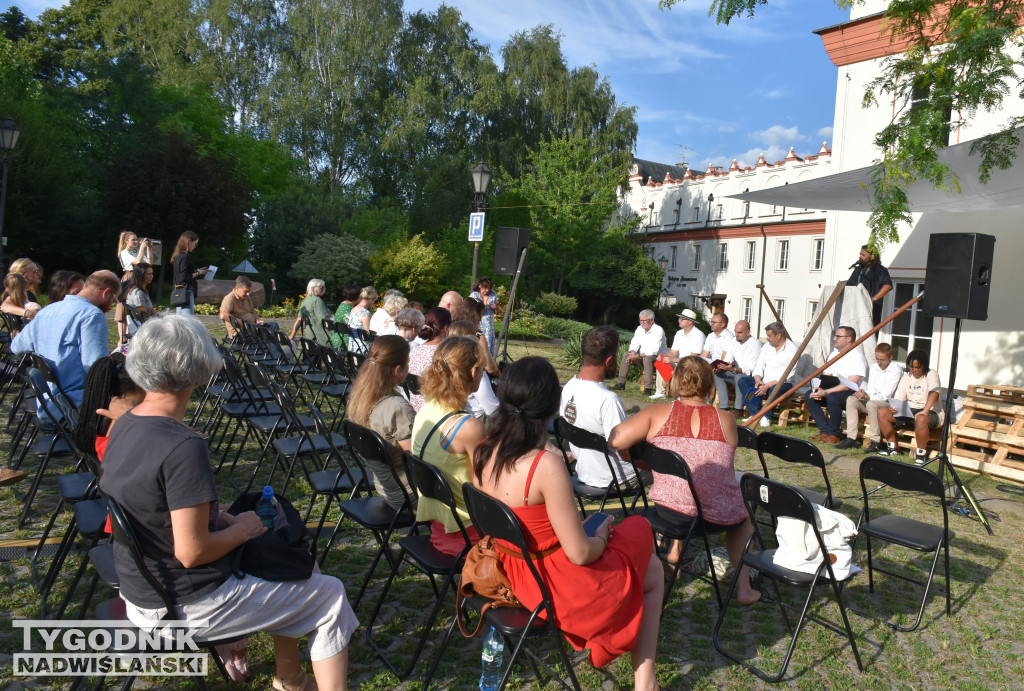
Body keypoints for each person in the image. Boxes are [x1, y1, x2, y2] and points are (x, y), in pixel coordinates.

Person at [100, 315, 357, 691]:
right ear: (200, 370)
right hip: (182, 602)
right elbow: (192, 552)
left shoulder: (125, 422)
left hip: (142, 586)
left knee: (295, 563)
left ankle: (290, 677)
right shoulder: (183, 446)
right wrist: (241, 529)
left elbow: (151, 504)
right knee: (331, 595)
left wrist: (217, 516)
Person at [473, 357, 663, 690]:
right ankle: (643, 681)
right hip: (555, 585)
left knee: (638, 552)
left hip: (514, 569)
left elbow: (529, 524)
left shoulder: (483, 452)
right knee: (642, 538)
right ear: (551, 406)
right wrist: (601, 537)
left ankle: (641, 675)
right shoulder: (544, 464)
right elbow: (579, 555)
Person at [609, 356, 761, 607]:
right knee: (743, 518)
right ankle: (743, 588)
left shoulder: (657, 413)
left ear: (675, 382)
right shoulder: (726, 420)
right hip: (715, 516)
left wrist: (644, 459)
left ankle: (672, 555)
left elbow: (615, 440)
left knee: (685, 485)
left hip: (669, 511)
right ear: (710, 385)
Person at [411, 336, 486, 556]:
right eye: (482, 369)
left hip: (440, 526)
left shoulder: (427, 409)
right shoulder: (468, 427)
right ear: (473, 373)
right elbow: (487, 485)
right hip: (469, 534)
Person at [12, 270, 121, 406]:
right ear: (106, 293)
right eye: (114, 300)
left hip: (45, 401)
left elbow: (17, 346)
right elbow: (97, 368)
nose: (111, 306)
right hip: (74, 402)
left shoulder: (46, 311)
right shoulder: (92, 315)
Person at [560, 326, 648, 490]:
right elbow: (624, 451)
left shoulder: (569, 387)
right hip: (615, 478)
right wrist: (655, 465)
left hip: (585, 473)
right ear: (609, 361)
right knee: (671, 468)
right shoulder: (607, 400)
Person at [346, 335, 417, 511]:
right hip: (407, 494)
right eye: (408, 362)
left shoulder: (361, 396)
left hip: (384, 485)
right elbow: (419, 460)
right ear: (397, 370)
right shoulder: (396, 407)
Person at [876, 349, 944, 464]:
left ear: (924, 366)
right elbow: (899, 397)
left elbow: (934, 393)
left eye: (918, 367)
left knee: (921, 418)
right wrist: (894, 407)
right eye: (912, 367)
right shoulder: (907, 376)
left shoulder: (931, 374)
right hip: (910, 409)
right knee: (882, 412)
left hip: (931, 410)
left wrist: (925, 410)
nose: (914, 370)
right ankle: (893, 448)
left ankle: (921, 454)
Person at [804, 326, 868, 444]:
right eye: (835, 336)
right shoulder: (834, 354)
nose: (835, 339)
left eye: (838, 336)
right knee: (809, 395)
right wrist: (818, 389)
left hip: (853, 394)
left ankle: (834, 434)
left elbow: (851, 384)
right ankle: (824, 431)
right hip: (834, 389)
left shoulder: (857, 357)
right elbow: (826, 376)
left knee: (833, 398)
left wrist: (827, 392)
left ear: (849, 339)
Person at [837, 343, 904, 452]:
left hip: (889, 404)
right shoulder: (874, 368)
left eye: (882, 360)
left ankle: (876, 441)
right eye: (877, 359)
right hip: (874, 400)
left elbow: (886, 395)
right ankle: (851, 438)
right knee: (851, 399)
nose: (879, 362)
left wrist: (867, 396)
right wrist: (863, 393)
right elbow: (871, 389)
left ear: (890, 357)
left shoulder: (896, 370)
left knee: (871, 404)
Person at [736, 321, 798, 426]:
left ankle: (766, 416)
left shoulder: (792, 349)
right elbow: (759, 365)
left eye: (769, 336)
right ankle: (756, 413)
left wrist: (768, 385)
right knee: (743, 381)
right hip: (765, 380)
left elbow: (788, 375)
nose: (767, 338)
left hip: (784, 383)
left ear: (778, 335)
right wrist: (758, 380)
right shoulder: (767, 347)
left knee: (775, 388)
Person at [447, 320, 499, 419]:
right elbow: (492, 409)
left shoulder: (446, 362)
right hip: (475, 420)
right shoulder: (475, 371)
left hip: (453, 418)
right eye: (477, 335)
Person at [654, 308, 708, 400]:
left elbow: (693, 358)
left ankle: (681, 395)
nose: (679, 320)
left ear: (690, 322)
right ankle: (660, 392)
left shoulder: (699, 335)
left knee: (682, 366)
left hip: (692, 365)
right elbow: (673, 352)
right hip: (680, 362)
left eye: (682, 319)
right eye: (680, 318)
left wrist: (673, 360)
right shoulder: (679, 333)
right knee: (662, 361)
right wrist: (665, 356)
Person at [407, 307, 452, 411]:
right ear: (446, 328)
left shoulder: (418, 349)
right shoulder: (442, 354)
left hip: (416, 409)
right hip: (437, 410)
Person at [614, 309, 666, 396]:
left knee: (647, 358)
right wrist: (632, 353)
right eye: (641, 320)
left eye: (645, 320)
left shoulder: (658, 330)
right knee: (626, 354)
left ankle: (648, 388)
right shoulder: (639, 329)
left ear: (652, 320)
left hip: (657, 359)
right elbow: (634, 343)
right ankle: (621, 383)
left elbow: (653, 351)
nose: (642, 323)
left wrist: (637, 356)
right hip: (642, 357)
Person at [713, 319, 761, 412]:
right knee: (718, 375)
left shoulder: (755, 344)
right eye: (735, 332)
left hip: (750, 376)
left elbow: (750, 369)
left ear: (748, 332)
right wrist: (721, 367)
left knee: (740, 377)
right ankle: (724, 407)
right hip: (735, 371)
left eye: (740, 332)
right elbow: (728, 359)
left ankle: (738, 409)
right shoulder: (733, 341)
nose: (737, 334)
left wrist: (733, 369)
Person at [453, 298, 499, 376]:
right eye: (481, 314)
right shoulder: (478, 338)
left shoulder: (450, 330)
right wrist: (500, 373)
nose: (481, 318)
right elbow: (490, 368)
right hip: (472, 379)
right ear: (476, 315)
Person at [849, 244, 892, 326]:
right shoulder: (858, 269)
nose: (860, 257)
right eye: (860, 254)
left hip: (870, 309)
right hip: (854, 308)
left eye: (863, 255)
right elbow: (849, 285)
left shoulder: (880, 270)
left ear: (872, 257)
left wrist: (873, 299)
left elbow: (887, 286)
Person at [171, 231, 206, 315]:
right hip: (186, 292)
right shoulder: (185, 257)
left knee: (180, 320)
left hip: (178, 292)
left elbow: (181, 274)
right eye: (195, 244)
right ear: (189, 241)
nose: (195, 246)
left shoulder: (178, 256)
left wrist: (198, 271)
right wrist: (198, 273)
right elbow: (184, 277)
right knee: (187, 321)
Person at [289, 278, 332, 344]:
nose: (323, 289)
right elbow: (324, 320)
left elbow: (299, 320)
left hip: (310, 336)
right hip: (322, 337)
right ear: (313, 288)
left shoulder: (305, 300)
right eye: (321, 287)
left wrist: (291, 336)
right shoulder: (317, 300)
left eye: (324, 287)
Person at [123, 263, 155, 337]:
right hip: (141, 329)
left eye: (152, 274)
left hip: (144, 325)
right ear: (141, 276)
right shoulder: (138, 292)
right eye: (149, 274)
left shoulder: (142, 290)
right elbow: (144, 316)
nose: (152, 276)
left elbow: (152, 310)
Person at [469, 277, 499, 356]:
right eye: (485, 288)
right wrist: (485, 304)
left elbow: (499, 309)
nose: (487, 290)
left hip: (489, 325)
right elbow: (475, 312)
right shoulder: (474, 295)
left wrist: (496, 307)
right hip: (479, 324)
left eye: (489, 288)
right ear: (479, 285)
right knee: (481, 345)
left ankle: (489, 362)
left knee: (489, 344)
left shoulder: (492, 293)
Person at [331, 284, 362, 349]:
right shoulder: (348, 309)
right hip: (344, 341)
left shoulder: (343, 305)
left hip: (338, 338)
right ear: (358, 296)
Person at [347, 286, 377, 353]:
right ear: (371, 299)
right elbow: (367, 334)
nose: (374, 303)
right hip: (362, 348)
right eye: (374, 301)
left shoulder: (353, 309)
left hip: (352, 345)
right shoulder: (365, 313)